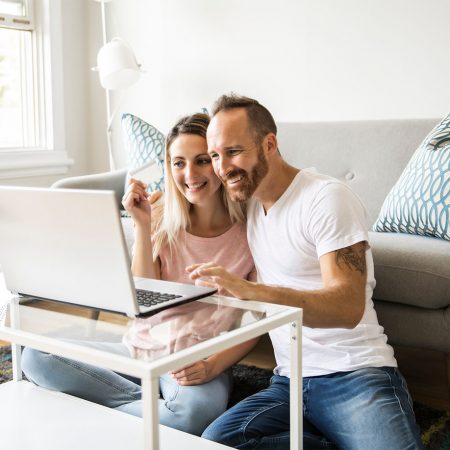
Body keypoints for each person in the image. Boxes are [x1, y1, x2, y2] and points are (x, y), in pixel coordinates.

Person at [188, 95, 425, 449]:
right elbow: (192, 197)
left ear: (269, 144)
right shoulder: (248, 201)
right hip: (289, 382)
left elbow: (347, 308)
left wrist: (255, 291)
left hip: (354, 374)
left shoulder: (326, 198)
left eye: (234, 151)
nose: (223, 168)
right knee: (214, 443)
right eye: (217, 156)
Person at [21, 112, 258, 436]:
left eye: (202, 160)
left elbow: (261, 322)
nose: (190, 174)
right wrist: (142, 226)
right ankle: (147, 412)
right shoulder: (160, 214)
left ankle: (99, 413)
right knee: (36, 358)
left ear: (217, 160)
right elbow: (143, 291)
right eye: (178, 163)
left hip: (196, 361)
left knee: (193, 416)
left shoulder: (251, 232)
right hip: (140, 347)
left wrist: (212, 366)